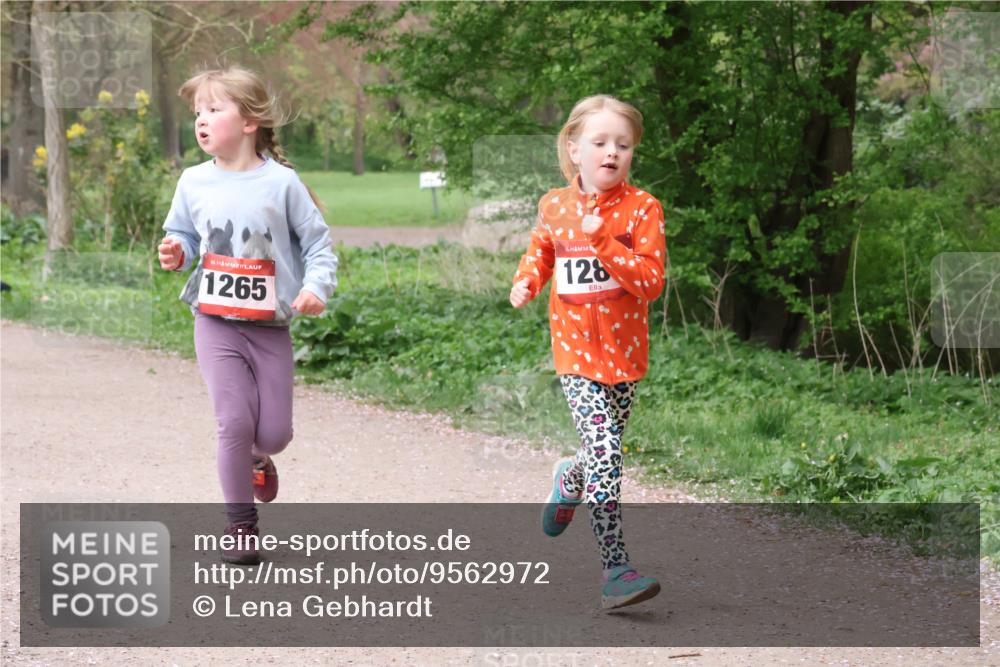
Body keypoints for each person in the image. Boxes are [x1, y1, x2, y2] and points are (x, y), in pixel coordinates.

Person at [157, 66, 338, 565]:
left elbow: (319, 244)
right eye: (198, 112)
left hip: (270, 327)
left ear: (250, 121)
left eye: (215, 109)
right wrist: (177, 252)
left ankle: (258, 459)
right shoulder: (193, 181)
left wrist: (315, 287)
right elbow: (184, 237)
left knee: (274, 435)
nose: (202, 120)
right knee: (233, 423)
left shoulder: (282, 184)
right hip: (214, 321)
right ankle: (241, 527)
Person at [510, 94, 667, 610]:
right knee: (609, 455)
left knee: (601, 454)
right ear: (574, 150)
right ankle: (616, 569)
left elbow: (649, 283)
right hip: (576, 355)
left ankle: (570, 476)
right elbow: (542, 251)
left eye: (623, 145)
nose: (611, 152)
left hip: (625, 357)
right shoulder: (554, 206)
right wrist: (527, 281)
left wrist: (607, 245)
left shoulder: (643, 208)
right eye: (599, 142)